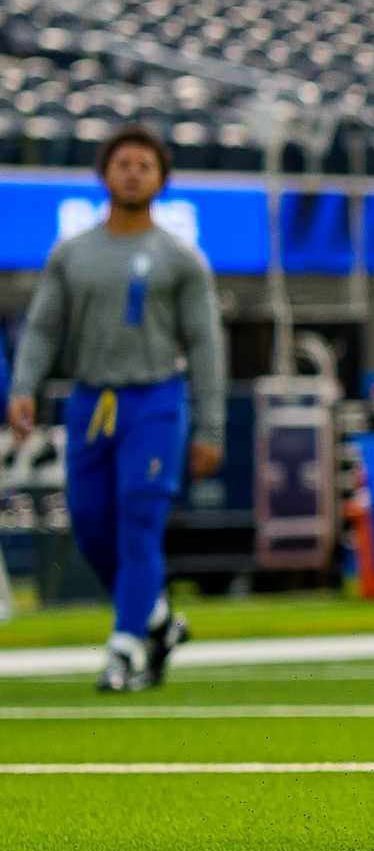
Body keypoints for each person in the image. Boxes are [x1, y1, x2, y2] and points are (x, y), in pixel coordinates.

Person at [7, 125, 225, 692]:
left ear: (161, 180)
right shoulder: (72, 254)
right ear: (104, 174)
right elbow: (43, 328)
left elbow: (205, 345)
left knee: (139, 519)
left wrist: (210, 426)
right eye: (123, 163)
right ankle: (156, 619)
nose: (132, 173)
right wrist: (24, 386)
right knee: (90, 524)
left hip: (155, 398)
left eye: (144, 165)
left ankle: (125, 649)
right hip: (91, 401)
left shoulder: (181, 259)